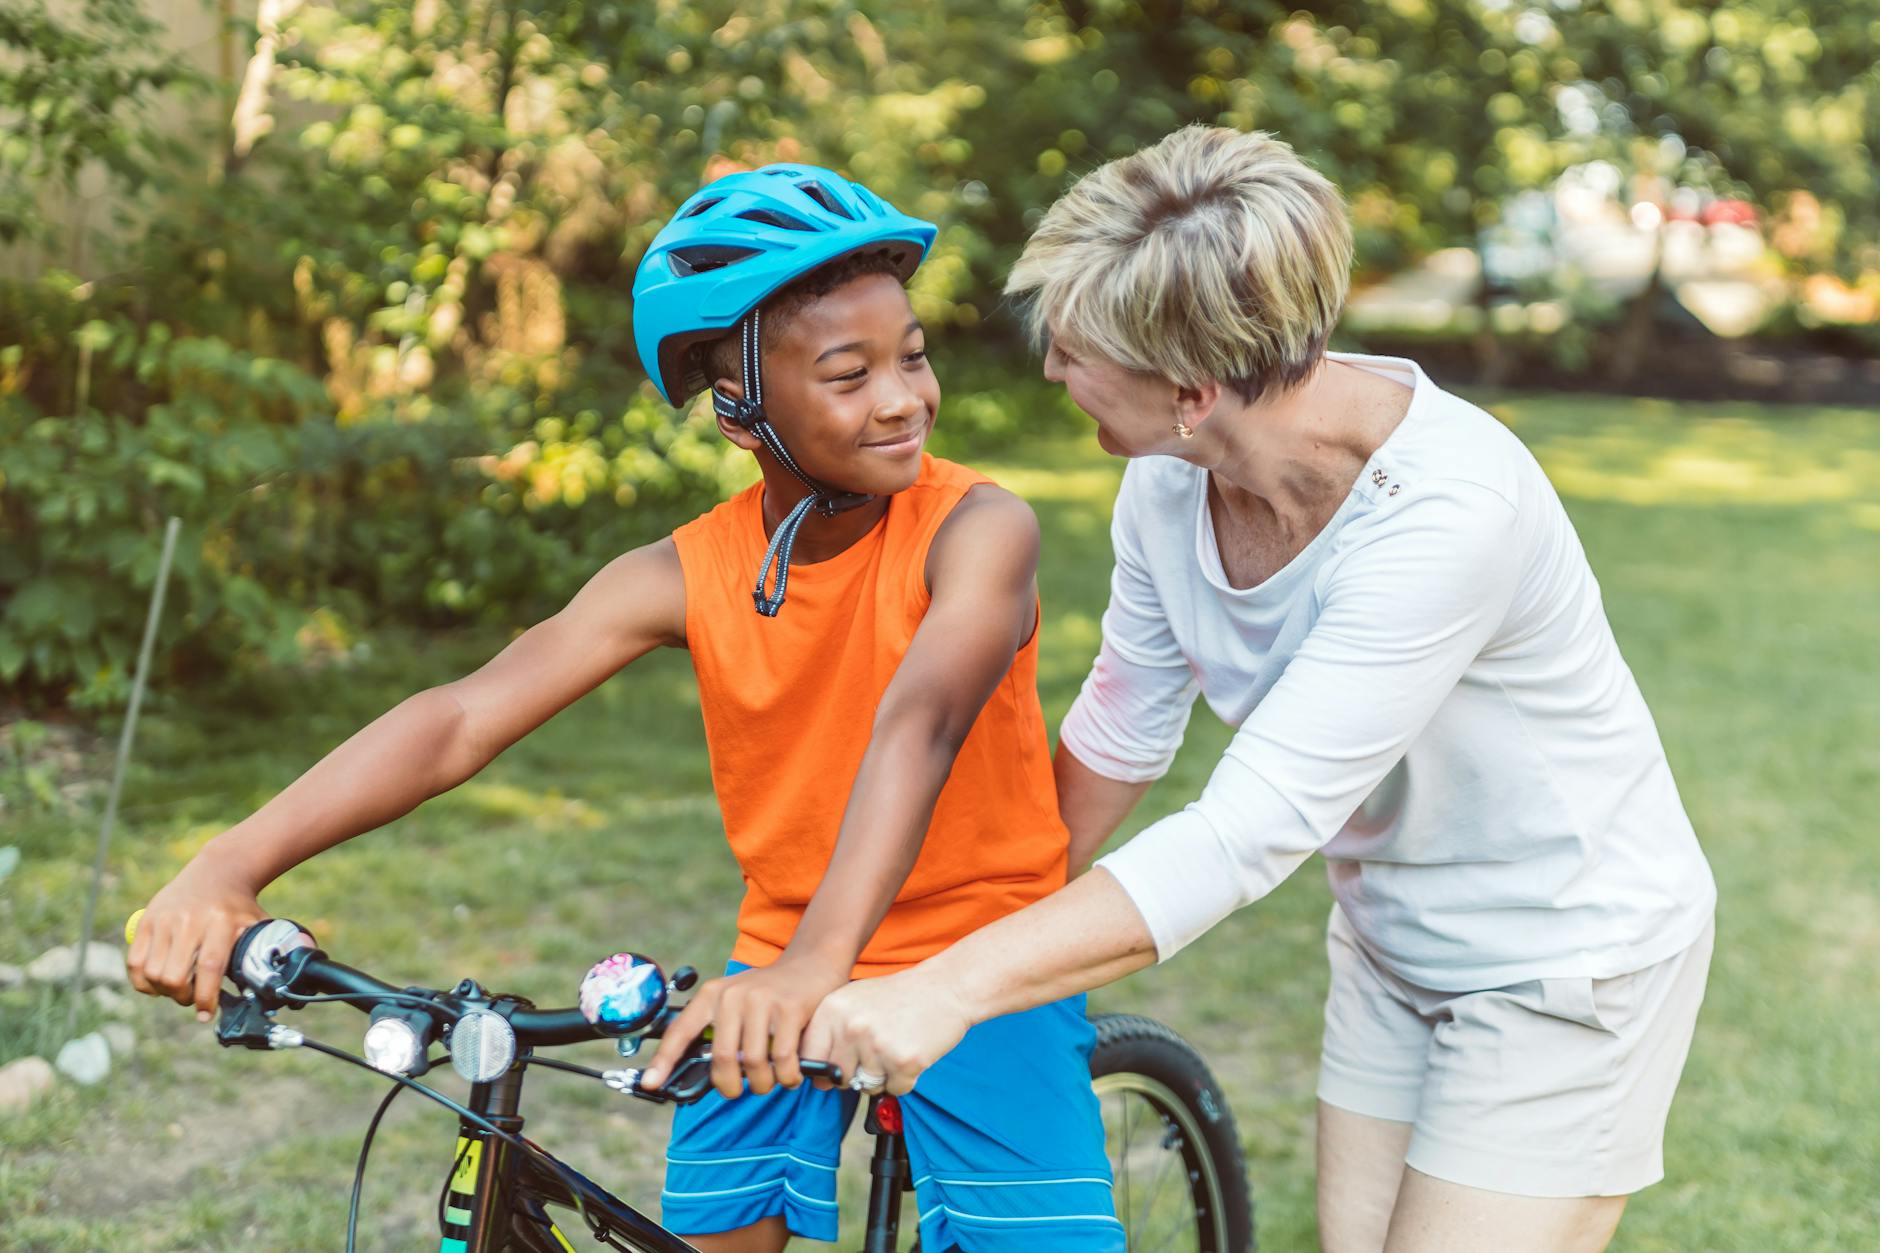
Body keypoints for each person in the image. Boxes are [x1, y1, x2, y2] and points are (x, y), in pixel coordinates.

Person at [126, 165, 1122, 1253]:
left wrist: (814, 967)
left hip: (975, 956)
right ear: (739, 408)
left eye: (911, 356)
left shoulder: (979, 528)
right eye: (848, 372)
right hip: (780, 959)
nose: (901, 397)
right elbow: (461, 717)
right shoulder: (682, 572)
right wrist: (229, 861)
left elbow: (919, 722)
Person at [801, 126, 1718, 1253]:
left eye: (1076, 349)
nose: (1049, 368)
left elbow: (1244, 833)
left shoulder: (1444, 515)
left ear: (1192, 388)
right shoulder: (1166, 481)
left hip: (1565, 961)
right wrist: (955, 923)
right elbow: (1124, 723)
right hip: (1389, 941)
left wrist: (947, 989)